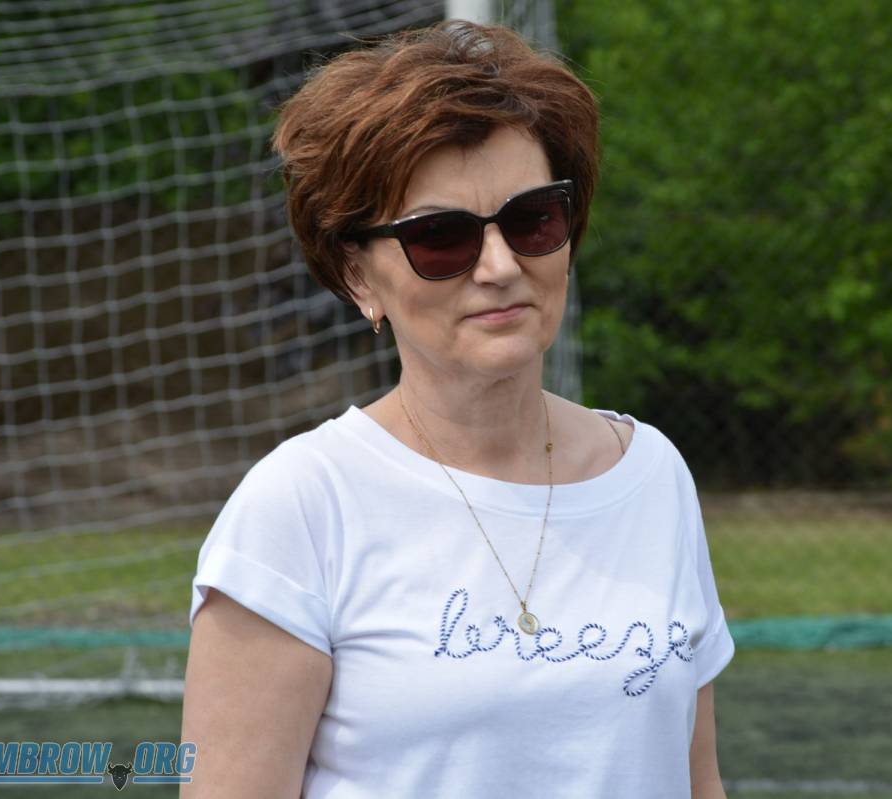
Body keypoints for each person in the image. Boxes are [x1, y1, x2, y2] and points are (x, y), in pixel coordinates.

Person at [181, 19, 734, 799]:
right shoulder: (301, 506)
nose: (500, 265)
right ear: (357, 276)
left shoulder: (653, 475)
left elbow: (697, 780)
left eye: (533, 219)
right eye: (440, 238)